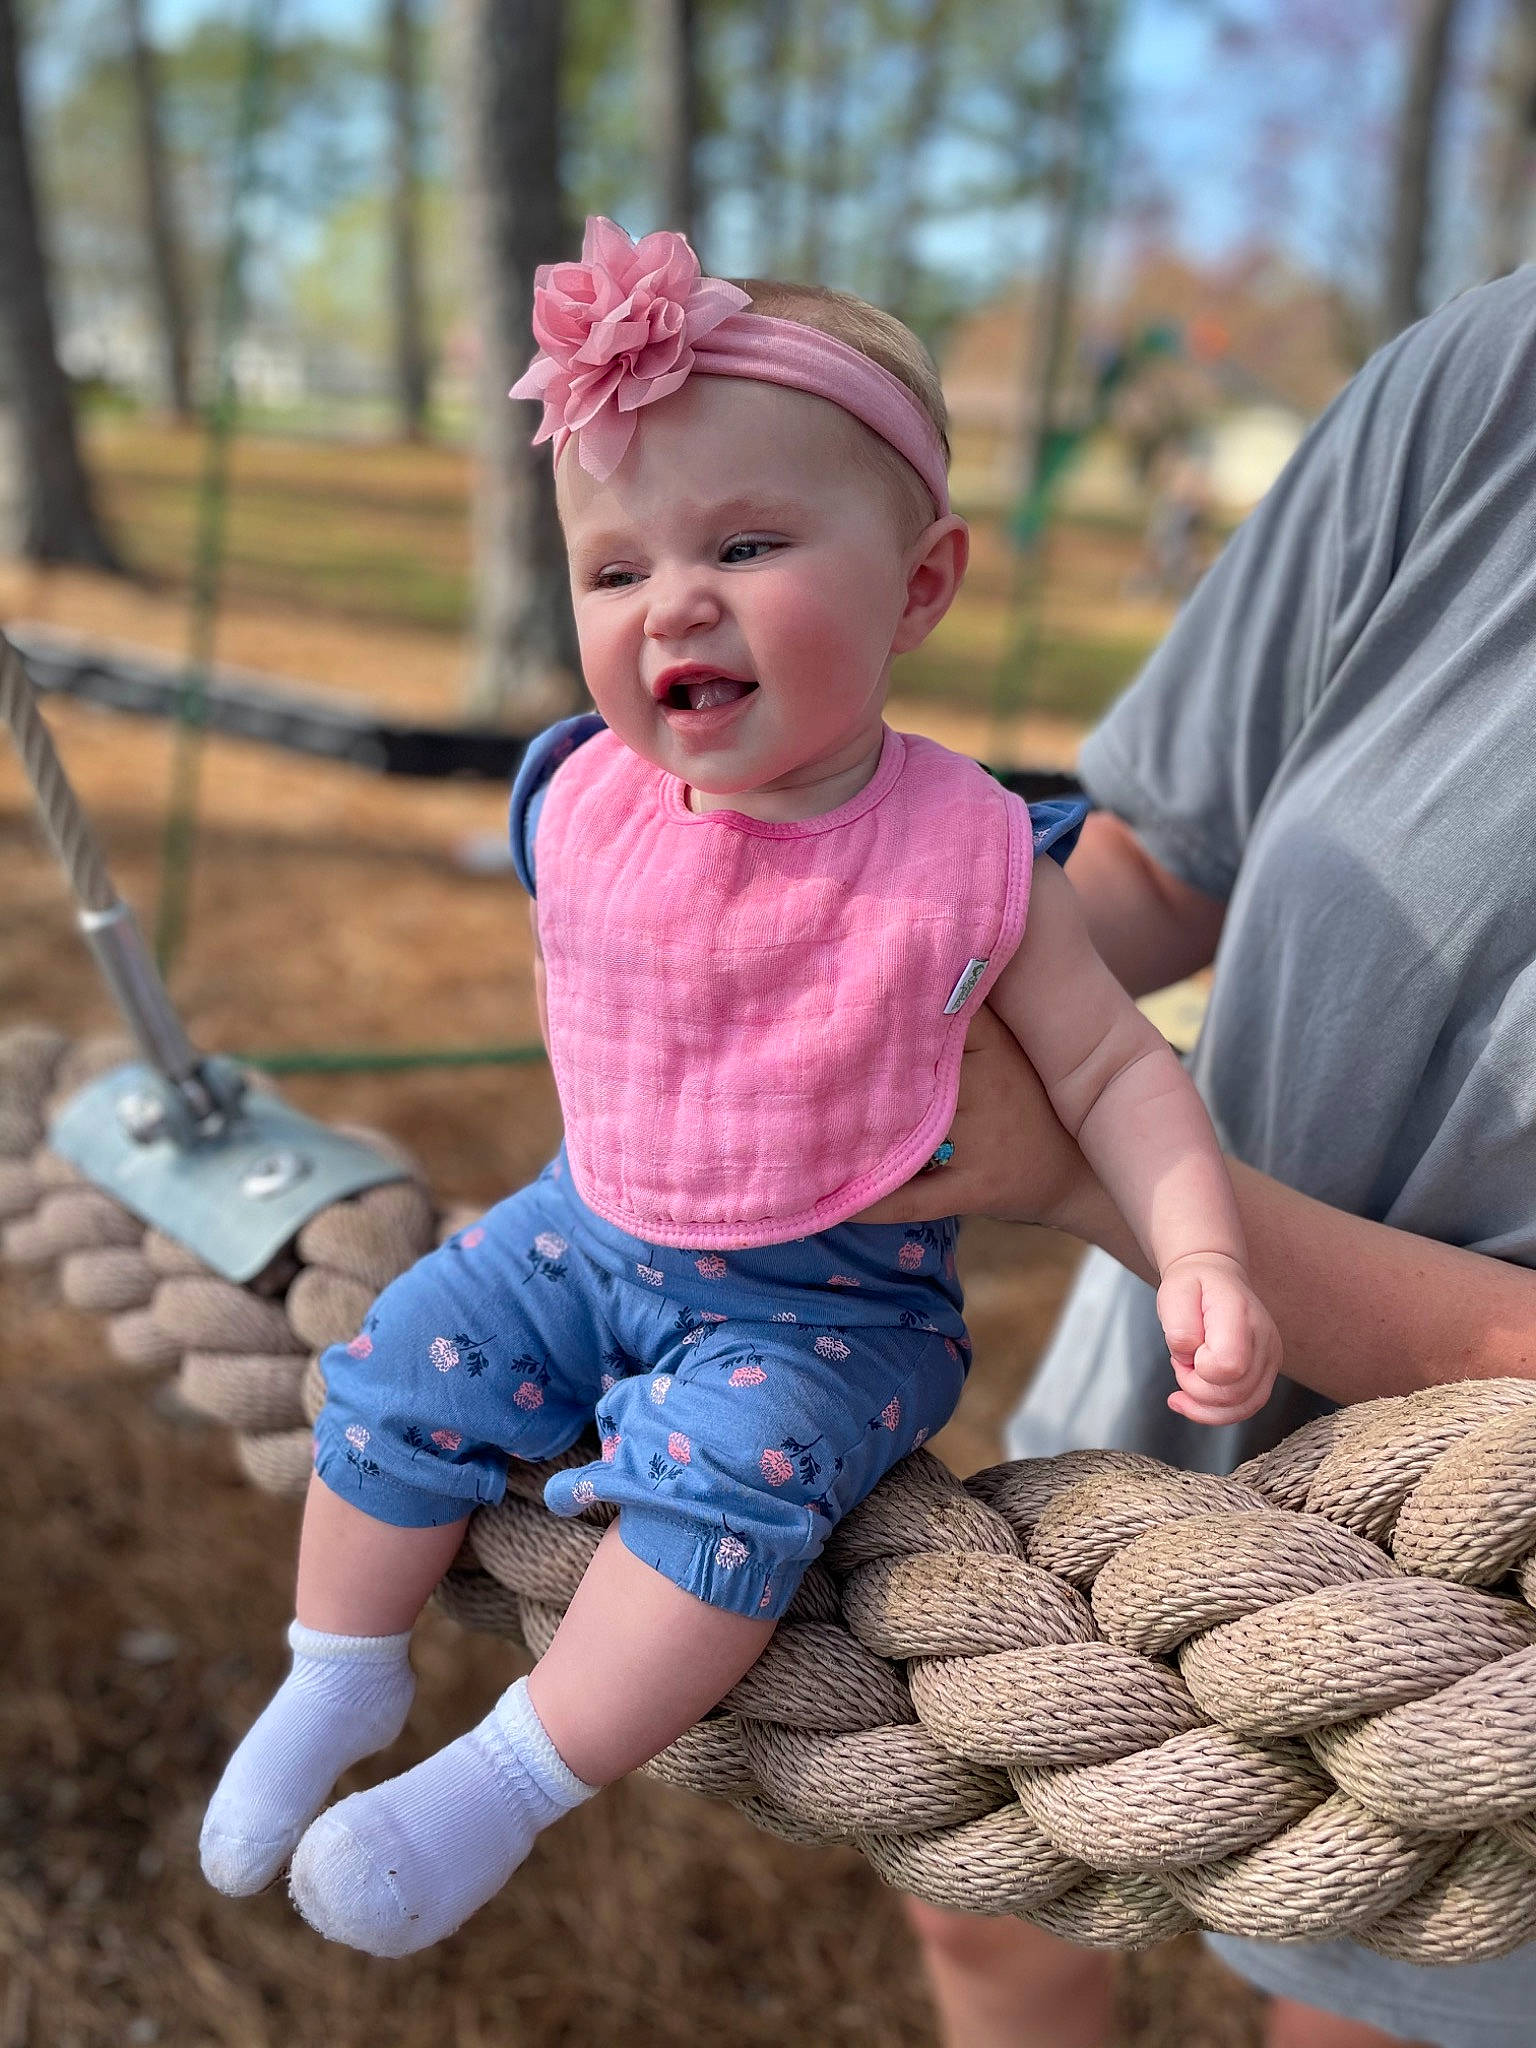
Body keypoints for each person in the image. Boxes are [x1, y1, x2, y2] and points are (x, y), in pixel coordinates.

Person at [196, 218, 1280, 1958]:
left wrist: (1203, 1248)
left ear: (921, 583)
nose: (672, 603)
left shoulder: (972, 854)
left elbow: (1111, 1070)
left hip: (823, 1307)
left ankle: (496, 1784)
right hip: (581, 1230)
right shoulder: (582, 798)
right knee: (396, 1362)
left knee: (727, 1497)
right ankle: (334, 1675)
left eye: (749, 543)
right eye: (614, 571)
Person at [867, 263, 1536, 2048]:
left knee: (1353, 2003)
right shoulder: (1493, 374)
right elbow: (1168, 853)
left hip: (1481, 1598)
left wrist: (1097, 1176)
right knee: (987, 1912)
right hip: (1156, 1413)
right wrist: (880, 989)